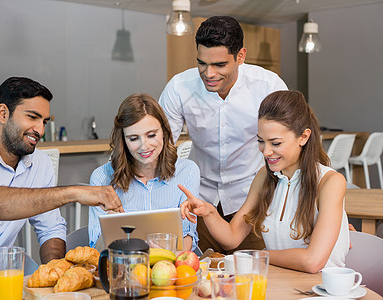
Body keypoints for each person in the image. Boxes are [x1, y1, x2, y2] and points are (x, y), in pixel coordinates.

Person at [0, 77, 123, 299]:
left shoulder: (39, 164)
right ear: (3, 114)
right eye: (32, 117)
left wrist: (56, 275)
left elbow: (50, 230)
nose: (39, 129)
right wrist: (74, 193)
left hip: (0, 290)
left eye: (44, 121)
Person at [180, 90, 349, 273]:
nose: (266, 151)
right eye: (261, 141)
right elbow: (232, 237)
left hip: (322, 290)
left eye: (275, 143)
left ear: (304, 137)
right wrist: (209, 212)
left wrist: (259, 255)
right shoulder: (266, 176)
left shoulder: (330, 182)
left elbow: (312, 261)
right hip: (280, 284)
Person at [159, 15, 288, 254]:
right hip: (201, 201)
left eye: (219, 65)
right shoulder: (179, 87)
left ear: (240, 56)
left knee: (252, 279)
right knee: (200, 279)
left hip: (253, 203)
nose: (209, 74)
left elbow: (291, 151)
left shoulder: (268, 86)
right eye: (202, 63)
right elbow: (159, 148)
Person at [89, 94, 200, 251]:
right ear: (123, 140)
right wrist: (110, 222)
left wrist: (167, 256)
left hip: (172, 268)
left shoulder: (187, 171)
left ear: (164, 131)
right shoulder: (102, 178)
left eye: (151, 135)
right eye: (134, 138)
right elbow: (97, 249)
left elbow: (187, 237)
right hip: (123, 270)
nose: (144, 146)